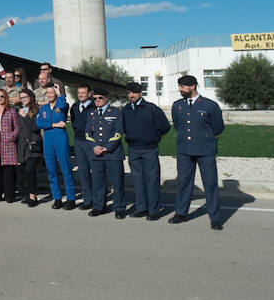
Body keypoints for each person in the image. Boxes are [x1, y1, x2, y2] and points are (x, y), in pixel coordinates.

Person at [168, 75, 225, 230]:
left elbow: (218, 128)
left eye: (183, 86)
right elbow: (178, 126)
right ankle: (181, 213)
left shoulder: (209, 105)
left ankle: (215, 217)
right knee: (184, 183)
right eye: (179, 86)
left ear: (193, 86)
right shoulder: (177, 105)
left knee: (210, 183)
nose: (180, 89)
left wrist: (206, 140)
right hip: (185, 150)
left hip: (205, 150)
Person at [122, 81, 170, 221]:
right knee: (138, 180)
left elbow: (165, 126)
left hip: (149, 149)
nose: (132, 95)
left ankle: (154, 210)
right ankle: (141, 208)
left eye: (134, 92)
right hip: (133, 149)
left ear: (140, 92)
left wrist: (154, 137)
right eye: (129, 93)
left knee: (152, 180)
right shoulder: (126, 110)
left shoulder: (151, 109)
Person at [85, 87, 127, 218]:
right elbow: (87, 133)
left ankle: (119, 208)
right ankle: (99, 206)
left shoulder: (116, 112)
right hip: (96, 153)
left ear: (106, 98)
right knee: (98, 182)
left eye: (100, 98)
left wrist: (107, 147)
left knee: (117, 182)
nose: (97, 100)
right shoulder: (91, 114)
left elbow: (119, 131)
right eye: (95, 98)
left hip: (112, 154)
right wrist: (94, 147)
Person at [36, 84, 77, 210]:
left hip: (60, 139)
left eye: (51, 93)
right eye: (47, 93)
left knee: (66, 168)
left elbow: (65, 106)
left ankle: (71, 198)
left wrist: (60, 94)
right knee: (51, 170)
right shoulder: (44, 108)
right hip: (48, 140)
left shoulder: (61, 105)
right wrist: (54, 124)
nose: (49, 95)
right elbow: (39, 123)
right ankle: (57, 198)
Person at [69, 84, 95, 210]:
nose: (81, 95)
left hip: (91, 142)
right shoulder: (74, 107)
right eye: (79, 93)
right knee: (83, 172)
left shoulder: (94, 106)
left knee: (95, 172)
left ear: (89, 94)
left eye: (83, 93)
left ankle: (98, 199)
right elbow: (74, 123)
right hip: (79, 142)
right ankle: (87, 200)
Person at [16, 89, 43, 207]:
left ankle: (33, 195)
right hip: (22, 144)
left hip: (33, 144)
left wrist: (25, 116)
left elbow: (35, 127)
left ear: (31, 97)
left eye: (25, 96)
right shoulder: (19, 110)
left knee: (30, 170)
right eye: (21, 97)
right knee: (23, 171)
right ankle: (27, 193)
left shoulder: (35, 110)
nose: (23, 99)